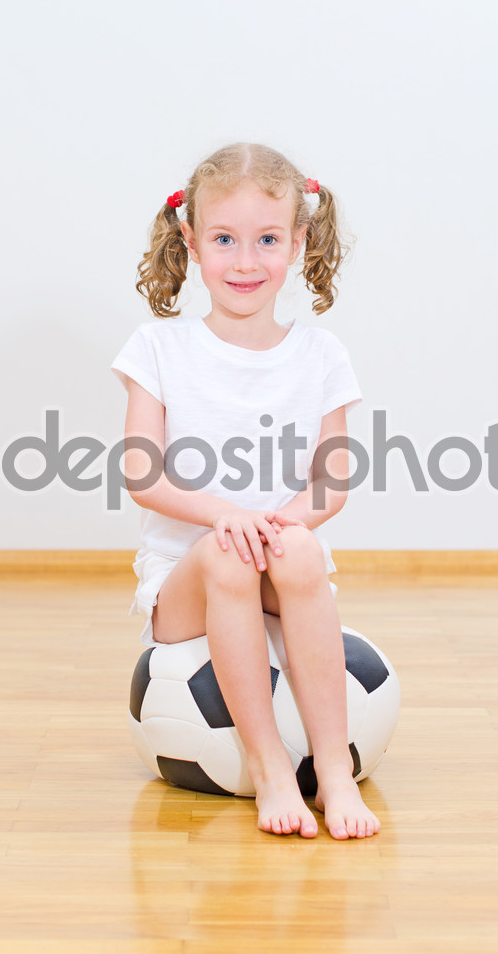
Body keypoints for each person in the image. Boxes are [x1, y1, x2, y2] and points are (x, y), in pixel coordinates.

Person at [110, 142, 380, 841]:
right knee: (230, 552)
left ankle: (332, 768)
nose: (244, 261)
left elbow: (332, 479)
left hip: (273, 557)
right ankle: (268, 767)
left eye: (265, 240)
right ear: (191, 242)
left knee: (298, 552)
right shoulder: (157, 349)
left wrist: (283, 522)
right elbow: (143, 474)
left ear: (296, 243)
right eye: (224, 239)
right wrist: (226, 516)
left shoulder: (320, 354)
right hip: (187, 585)